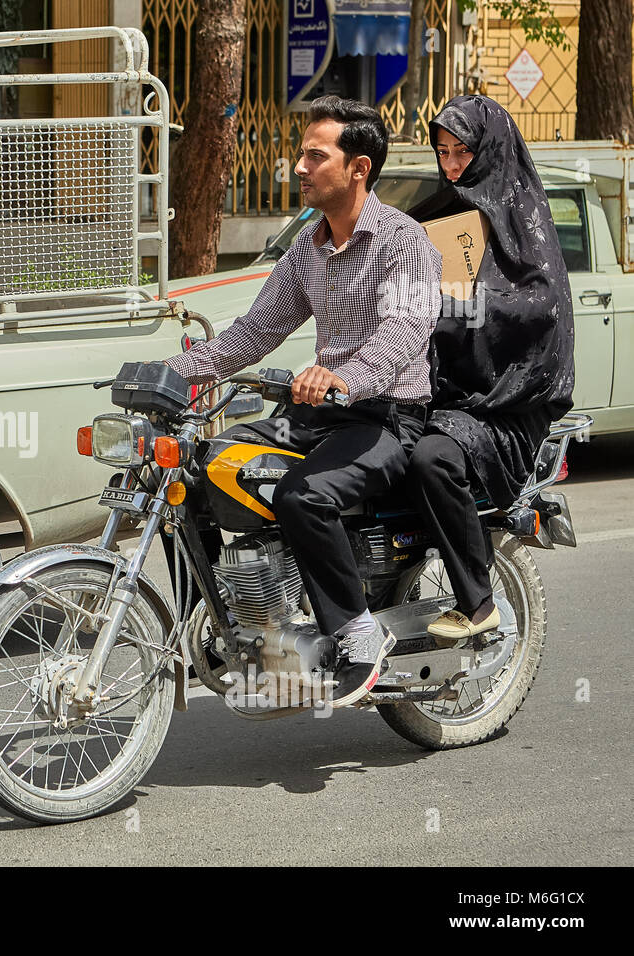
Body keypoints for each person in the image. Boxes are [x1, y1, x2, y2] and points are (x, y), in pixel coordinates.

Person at [164, 95, 442, 707]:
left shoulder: (406, 242)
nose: (298, 166)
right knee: (200, 466)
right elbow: (254, 333)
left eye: (316, 156)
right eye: (300, 154)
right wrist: (167, 374)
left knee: (302, 494)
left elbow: (406, 330)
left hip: (386, 418)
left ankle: (356, 634)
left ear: (358, 168)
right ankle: (223, 628)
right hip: (316, 415)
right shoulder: (307, 249)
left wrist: (344, 376)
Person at [404, 95, 575, 644]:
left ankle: (477, 602)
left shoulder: (523, 220)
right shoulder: (436, 214)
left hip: (506, 402)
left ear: (491, 150)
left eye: (463, 152)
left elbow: (540, 311)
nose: (452, 165)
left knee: (433, 458)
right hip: (445, 394)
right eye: (443, 152)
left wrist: (455, 307)